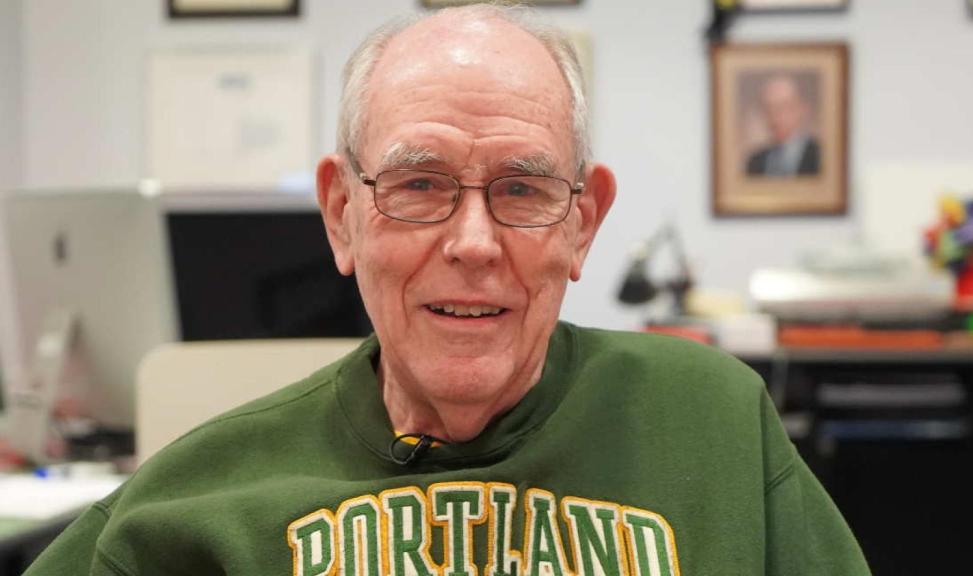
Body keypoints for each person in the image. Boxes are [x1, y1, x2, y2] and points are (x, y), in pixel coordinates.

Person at [27, 4, 870, 575]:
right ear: (341, 214)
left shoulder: (714, 424)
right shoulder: (193, 498)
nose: (473, 244)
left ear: (583, 222)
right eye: (419, 184)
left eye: (523, 189)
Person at [745, 74, 821, 177]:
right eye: (769, 109)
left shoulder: (820, 155)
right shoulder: (755, 161)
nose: (775, 117)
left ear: (802, 109)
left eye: (783, 107)